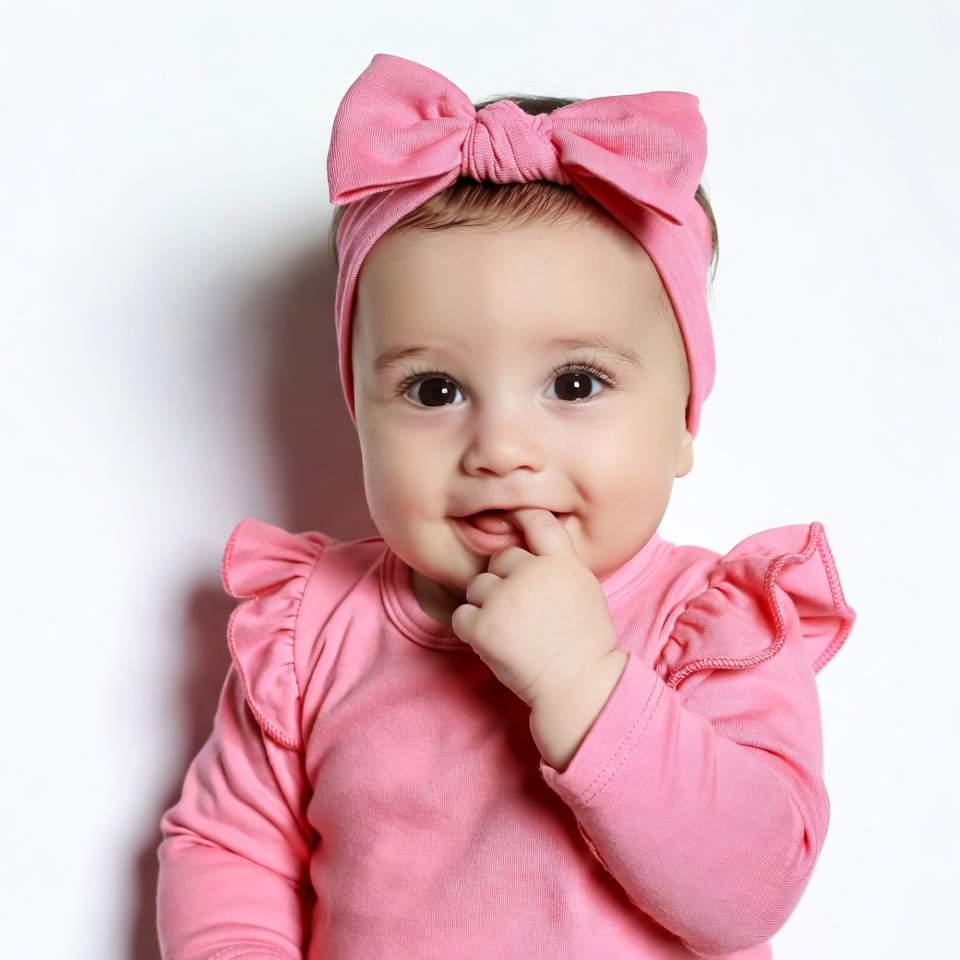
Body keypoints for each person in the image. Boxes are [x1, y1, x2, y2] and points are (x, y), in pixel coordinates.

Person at [157, 54, 855, 959]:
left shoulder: (711, 628)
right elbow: (229, 847)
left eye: (575, 381)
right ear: (359, 414)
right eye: (435, 389)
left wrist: (587, 683)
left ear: (682, 426)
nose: (500, 450)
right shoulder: (310, 633)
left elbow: (748, 893)